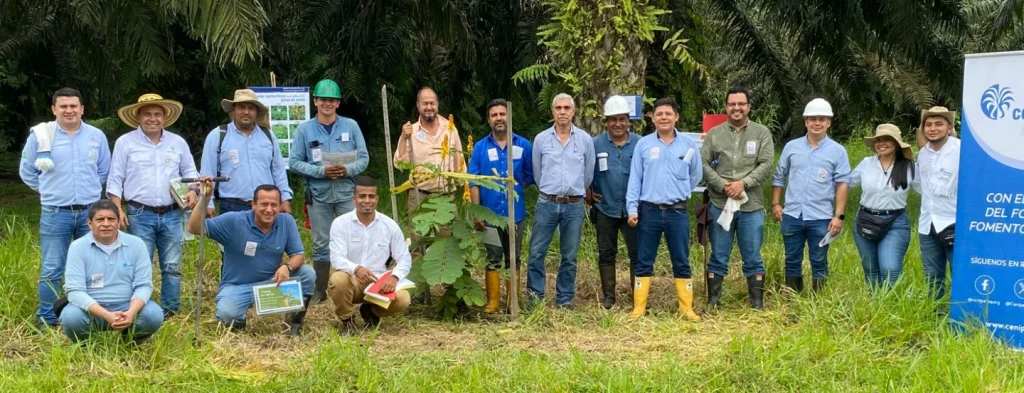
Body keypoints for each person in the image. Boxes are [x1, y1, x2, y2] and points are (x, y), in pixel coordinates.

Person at [20, 87, 111, 329]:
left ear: (82, 109)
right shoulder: (41, 136)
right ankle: (48, 319)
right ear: (54, 109)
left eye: (74, 106)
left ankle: (91, 315)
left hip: (90, 212)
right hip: (54, 212)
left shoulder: (96, 136)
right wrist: (47, 190)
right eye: (63, 106)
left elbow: (103, 171)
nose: (69, 110)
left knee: (93, 264)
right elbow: (27, 170)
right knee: (52, 267)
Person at [107, 94, 199, 318]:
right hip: (139, 213)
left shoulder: (177, 143)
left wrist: (194, 191)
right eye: (147, 114)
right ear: (138, 116)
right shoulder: (125, 143)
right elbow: (115, 179)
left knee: (172, 266)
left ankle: (170, 309)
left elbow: (190, 173)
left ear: (165, 118)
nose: (152, 118)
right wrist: (117, 208)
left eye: (157, 114)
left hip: (172, 213)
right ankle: (140, 310)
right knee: (140, 264)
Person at [187, 180, 315, 336]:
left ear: (280, 206)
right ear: (253, 204)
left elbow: (298, 255)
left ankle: (293, 324)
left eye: (274, 205)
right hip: (238, 287)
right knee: (227, 314)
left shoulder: (286, 221)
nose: (269, 210)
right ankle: (239, 326)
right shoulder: (233, 221)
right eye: (264, 204)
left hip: (271, 283)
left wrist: (286, 267)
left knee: (307, 273)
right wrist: (205, 198)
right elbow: (194, 228)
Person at [289, 79, 370, 304]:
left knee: (353, 239)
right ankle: (320, 289)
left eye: (332, 100)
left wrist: (347, 169)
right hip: (318, 195)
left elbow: (364, 158)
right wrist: (321, 171)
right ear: (315, 101)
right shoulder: (305, 130)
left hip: (346, 192)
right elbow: (294, 162)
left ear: (337, 103)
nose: (327, 104)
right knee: (321, 241)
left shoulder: (351, 126)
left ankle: (356, 286)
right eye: (323, 99)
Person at [625, 97, 702, 320]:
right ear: (653, 118)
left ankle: (686, 308)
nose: (664, 117)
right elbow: (635, 179)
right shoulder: (644, 145)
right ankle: (639, 308)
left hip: (677, 212)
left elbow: (696, 175)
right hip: (649, 211)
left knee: (681, 259)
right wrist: (632, 209)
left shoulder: (688, 145)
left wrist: (681, 190)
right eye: (659, 114)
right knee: (644, 259)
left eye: (668, 113)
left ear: (676, 117)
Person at [700, 86, 775, 310]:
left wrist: (744, 183)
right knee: (718, 254)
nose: (736, 108)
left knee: (752, 255)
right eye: (732, 104)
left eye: (741, 104)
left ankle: (757, 304)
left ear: (748, 107)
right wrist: (723, 185)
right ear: (726, 107)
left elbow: (767, 164)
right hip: (720, 204)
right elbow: (703, 164)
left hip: (750, 205)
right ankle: (713, 302)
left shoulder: (761, 133)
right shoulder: (714, 134)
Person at [771, 98, 851, 293]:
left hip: (821, 217)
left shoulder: (838, 151)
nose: (817, 123)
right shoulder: (791, 147)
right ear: (805, 121)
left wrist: (839, 216)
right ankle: (792, 301)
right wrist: (775, 204)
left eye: (822, 119)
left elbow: (842, 184)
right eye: (813, 119)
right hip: (792, 215)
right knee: (791, 260)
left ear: (828, 123)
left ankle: (818, 304)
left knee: (819, 261)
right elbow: (779, 176)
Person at [60, 200, 164, 343]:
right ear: (89, 223)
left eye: (111, 219)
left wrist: (131, 313)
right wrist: (106, 315)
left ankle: (130, 342)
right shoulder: (77, 247)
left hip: (128, 307)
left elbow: (144, 285)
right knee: (70, 317)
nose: (106, 224)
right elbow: (74, 291)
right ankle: (87, 346)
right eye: (100, 219)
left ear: (119, 221)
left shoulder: (136, 244)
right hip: (92, 311)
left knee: (154, 315)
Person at [526, 93, 595, 309]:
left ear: (573, 112)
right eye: (558, 108)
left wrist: (576, 192)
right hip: (547, 202)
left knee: (570, 255)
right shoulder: (541, 140)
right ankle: (535, 298)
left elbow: (588, 174)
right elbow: (537, 173)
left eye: (567, 108)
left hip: (574, 204)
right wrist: (550, 191)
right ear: (552, 112)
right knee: (537, 252)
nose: (563, 112)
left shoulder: (584, 140)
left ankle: (564, 299)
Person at [467, 99, 535, 313]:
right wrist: (476, 212)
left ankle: (512, 301)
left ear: (509, 117)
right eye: (494, 115)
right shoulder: (480, 147)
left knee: (513, 257)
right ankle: (493, 302)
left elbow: (529, 176)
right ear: (489, 120)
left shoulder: (523, 145)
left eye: (502, 114)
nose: (499, 118)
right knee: (493, 257)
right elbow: (473, 179)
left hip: (516, 214)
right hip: (488, 215)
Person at [328, 176, 413, 335]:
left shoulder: (389, 225)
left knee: (403, 299)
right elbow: (336, 258)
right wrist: (357, 269)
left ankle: (371, 312)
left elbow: (404, 257)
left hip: (378, 283)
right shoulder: (340, 224)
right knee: (337, 280)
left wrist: (394, 278)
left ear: (377, 199)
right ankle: (347, 321)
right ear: (354, 199)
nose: (367, 200)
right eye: (362, 196)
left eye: (371, 196)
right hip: (352, 280)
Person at [200, 89, 293, 216]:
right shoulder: (218, 135)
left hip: (266, 206)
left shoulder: (268, 136)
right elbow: (208, 173)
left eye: (251, 108)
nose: (246, 112)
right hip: (231, 206)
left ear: (257, 112)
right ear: (233, 110)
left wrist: (285, 198)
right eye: (241, 107)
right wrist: (207, 203)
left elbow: (278, 171)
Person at [588, 95, 640, 310]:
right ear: (606, 122)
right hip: (604, 208)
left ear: (628, 120)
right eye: (613, 119)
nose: (617, 124)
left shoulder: (640, 143)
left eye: (622, 119)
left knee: (637, 254)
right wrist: (586, 191)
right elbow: (584, 171)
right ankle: (609, 297)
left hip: (633, 210)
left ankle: (639, 297)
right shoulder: (595, 143)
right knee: (606, 253)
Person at [850, 124, 917, 290]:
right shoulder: (866, 163)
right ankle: (875, 307)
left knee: (890, 268)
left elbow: (928, 191)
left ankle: (893, 306)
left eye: (887, 139)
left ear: (896, 143)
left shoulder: (909, 167)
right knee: (870, 268)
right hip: (865, 219)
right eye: (878, 140)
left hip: (895, 222)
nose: (881, 143)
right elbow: (846, 183)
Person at [394, 87, 466, 214]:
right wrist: (404, 138)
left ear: (437, 104)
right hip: (419, 195)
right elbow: (400, 164)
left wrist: (461, 184)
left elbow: (458, 159)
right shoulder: (411, 131)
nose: (429, 107)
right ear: (418, 105)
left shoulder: (450, 128)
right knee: (418, 233)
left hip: (446, 196)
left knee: (446, 234)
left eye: (432, 103)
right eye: (425, 103)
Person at [916, 106, 959, 299]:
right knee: (933, 276)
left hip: (954, 221)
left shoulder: (961, 150)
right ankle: (936, 317)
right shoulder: (923, 153)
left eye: (939, 124)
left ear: (949, 128)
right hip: (928, 223)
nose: (933, 128)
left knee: (959, 273)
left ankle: (962, 317)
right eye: (929, 124)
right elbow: (921, 185)